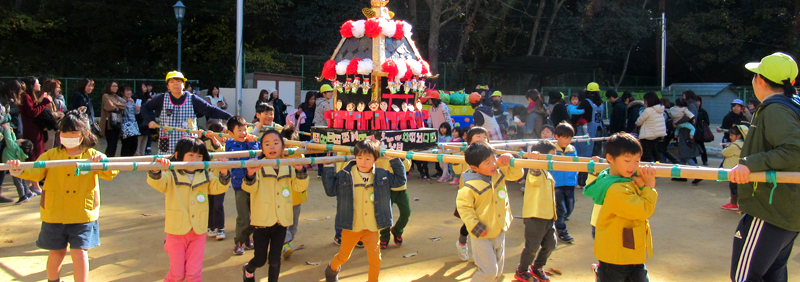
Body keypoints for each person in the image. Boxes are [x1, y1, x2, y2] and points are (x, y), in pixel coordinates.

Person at [7, 109, 119, 282]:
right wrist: (18, 169)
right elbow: (35, 173)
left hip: (83, 213)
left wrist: (101, 165)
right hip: (55, 213)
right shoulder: (51, 155)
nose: (68, 137)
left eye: (73, 133)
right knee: (56, 252)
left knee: (80, 252)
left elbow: (112, 172)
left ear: (84, 134)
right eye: (64, 133)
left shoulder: (92, 155)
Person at [729, 52, 800, 282]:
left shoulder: (775, 109)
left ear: (759, 80)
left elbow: (794, 150)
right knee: (772, 274)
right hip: (786, 209)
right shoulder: (792, 104)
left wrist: (751, 164)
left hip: (770, 207)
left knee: (745, 276)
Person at [147, 137, 230, 282]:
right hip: (177, 232)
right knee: (177, 275)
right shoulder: (172, 173)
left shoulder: (205, 174)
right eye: (191, 155)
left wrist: (224, 173)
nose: (195, 159)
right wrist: (156, 168)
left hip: (198, 231)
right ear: (178, 156)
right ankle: (169, 245)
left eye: (199, 156)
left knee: (193, 274)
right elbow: (159, 183)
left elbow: (218, 188)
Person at [323, 139, 407, 282]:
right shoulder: (345, 174)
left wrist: (394, 160)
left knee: (376, 260)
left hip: (371, 227)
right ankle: (331, 270)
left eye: (368, 158)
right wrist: (328, 167)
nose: (363, 162)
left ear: (376, 159)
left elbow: (400, 180)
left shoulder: (382, 175)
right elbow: (331, 190)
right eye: (359, 158)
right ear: (355, 157)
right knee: (344, 255)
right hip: (352, 226)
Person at [583, 133, 657, 282]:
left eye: (637, 161)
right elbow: (642, 210)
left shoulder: (616, 178)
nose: (633, 166)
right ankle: (600, 272)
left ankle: (600, 271)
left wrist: (639, 185)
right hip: (617, 255)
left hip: (631, 251)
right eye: (627, 160)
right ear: (610, 158)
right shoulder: (616, 188)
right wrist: (648, 187)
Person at [241, 129, 308, 282]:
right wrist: (250, 174)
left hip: (281, 220)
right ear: (262, 148)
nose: (272, 147)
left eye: (276, 143)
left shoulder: (288, 166)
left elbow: (299, 187)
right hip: (262, 221)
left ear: (283, 147)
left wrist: (301, 171)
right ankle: (249, 269)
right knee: (260, 259)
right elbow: (248, 188)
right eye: (267, 144)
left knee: (275, 259)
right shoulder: (258, 166)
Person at [457, 141, 523, 282]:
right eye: (487, 162)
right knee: (488, 272)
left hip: (499, 228)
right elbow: (464, 208)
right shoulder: (469, 187)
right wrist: (474, 226)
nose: (493, 164)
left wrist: (509, 159)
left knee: (497, 271)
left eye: (494, 159)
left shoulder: (497, 174)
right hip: (481, 233)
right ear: (475, 167)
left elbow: (516, 175)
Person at [142, 71, 233, 155]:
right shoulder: (162, 98)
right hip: (167, 142)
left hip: (189, 142)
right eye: (172, 82)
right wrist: (149, 121)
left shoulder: (193, 99)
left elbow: (210, 109)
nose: (176, 84)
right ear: (168, 86)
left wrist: (229, 117)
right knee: (167, 168)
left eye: (179, 81)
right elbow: (145, 107)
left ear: (183, 84)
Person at [514, 141, 558, 282]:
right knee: (532, 246)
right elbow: (534, 176)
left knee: (551, 244)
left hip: (548, 216)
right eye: (551, 156)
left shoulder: (547, 173)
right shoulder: (536, 171)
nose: (553, 159)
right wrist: (533, 161)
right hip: (535, 215)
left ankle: (537, 267)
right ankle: (522, 270)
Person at [226, 116, 260, 256]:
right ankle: (239, 241)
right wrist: (251, 145)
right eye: (239, 130)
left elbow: (256, 157)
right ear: (230, 133)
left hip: (253, 184)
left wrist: (252, 143)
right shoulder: (230, 144)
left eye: (245, 129)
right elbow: (243, 158)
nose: (243, 133)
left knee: (255, 215)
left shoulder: (250, 142)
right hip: (240, 186)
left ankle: (247, 237)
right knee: (243, 217)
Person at [280, 126, 309, 259]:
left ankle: (288, 242)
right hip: (282, 196)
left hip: (296, 195)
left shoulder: (298, 154)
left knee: (294, 222)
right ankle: (284, 243)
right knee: (283, 221)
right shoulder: (278, 153)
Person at [551, 122, 578, 243]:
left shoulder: (572, 149)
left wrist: (575, 176)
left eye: (570, 137)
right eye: (565, 137)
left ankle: (559, 219)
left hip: (570, 182)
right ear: (557, 136)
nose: (568, 140)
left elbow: (576, 164)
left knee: (570, 206)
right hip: (557, 183)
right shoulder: (552, 149)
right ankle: (561, 230)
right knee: (561, 208)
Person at [19, 76, 51, 167]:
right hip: (32, 130)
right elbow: (32, 112)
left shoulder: (29, 96)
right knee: (34, 155)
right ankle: (34, 177)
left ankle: (36, 179)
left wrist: (41, 100)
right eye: (37, 83)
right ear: (31, 85)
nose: (40, 84)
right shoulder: (25, 96)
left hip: (36, 129)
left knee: (38, 153)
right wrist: (45, 102)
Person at [204, 122, 228, 241]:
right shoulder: (204, 145)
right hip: (208, 179)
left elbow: (222, 153)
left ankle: (220, 228)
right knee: (210, 204)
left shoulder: (224, 145)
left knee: (218, 205)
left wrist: (215, 140)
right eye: (222, 134)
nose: (224, 136)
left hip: (221, 179)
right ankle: (211, 226)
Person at [2, 123, 35, 204]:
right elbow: (13, 140)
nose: (20, 139)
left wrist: (6, 129)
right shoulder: (19, 149)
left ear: (20, 144)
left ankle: (22, 196)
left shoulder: (13, 147)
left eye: (21, 140)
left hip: (13, 166)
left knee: (17, 182)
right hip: (19, 166)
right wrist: (12, 132)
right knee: (22, 180)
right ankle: (27, 193)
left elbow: (9, 140)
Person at [634, 92, 667, 163]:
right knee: (657, 157)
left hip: (648, 136)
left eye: (645, 101)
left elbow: (638, 122)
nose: (644, 102)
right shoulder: (660, 109)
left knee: (645, 158)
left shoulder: (648, 110)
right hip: (659, 136)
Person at [721, 125, 747, 212]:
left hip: (733, 170)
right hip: (741, 171)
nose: (730, 137)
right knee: (740, 188)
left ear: (739, 136)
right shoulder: (745, 144)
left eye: (732, 135)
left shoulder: (734, 145)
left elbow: (724, 152)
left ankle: (735, 204)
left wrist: (728, 146)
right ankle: (738, 205)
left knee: (734, 188)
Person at [99, 81, 127, 157]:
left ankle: (110, 160)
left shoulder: (116, 96)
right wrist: (117, 106)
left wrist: (115, 105)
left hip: (117, 123)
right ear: (109, 87)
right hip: (109, 124)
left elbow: (124, 105)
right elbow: (110, 107)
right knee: (111, 144)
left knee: (115, 144)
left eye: (116, 86)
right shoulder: (106, 96)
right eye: (114, 86)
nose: (115, 88)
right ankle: (106, 160)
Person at [41, 79, 66, 149]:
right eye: (57, 87)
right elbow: (48, 113)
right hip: (49, 129)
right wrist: (58, 114)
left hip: (52, 128)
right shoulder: (47, 98)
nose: (59, 89)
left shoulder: (54, 98)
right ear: (51, 88)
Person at [119, 86, 141, 157]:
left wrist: (137, 109)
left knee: (134, 144)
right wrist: (129, 104)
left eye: (130, 91)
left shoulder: (131, 100)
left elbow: (135, 113)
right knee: (126, 144)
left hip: (133, 124)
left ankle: (130, 159)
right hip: (125, 124)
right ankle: (124, 161)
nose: (129, 92)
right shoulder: (121, 100)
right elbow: (124, 113)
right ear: (122, 92)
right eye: (127, 91)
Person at [134, 82, 154, 156]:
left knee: (145, 139)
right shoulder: (137, 97)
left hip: (147, 121)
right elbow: (137, 109)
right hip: (140, 121)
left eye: (146, 87)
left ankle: (142, 156)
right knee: (139, 139)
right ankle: (137, 156)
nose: (146, 88)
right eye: (144, 87)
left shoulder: (148, 96)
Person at [693, 96, 711, 167]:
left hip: (700, 132)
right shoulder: (691, 110)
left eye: (699, 101)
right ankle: (694, 161)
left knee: (701, 147)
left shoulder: (703, 111)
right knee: (692, 147)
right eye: (696, 101)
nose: (697, 103)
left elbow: (707, 122)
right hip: (692, 132)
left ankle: (705, 160)